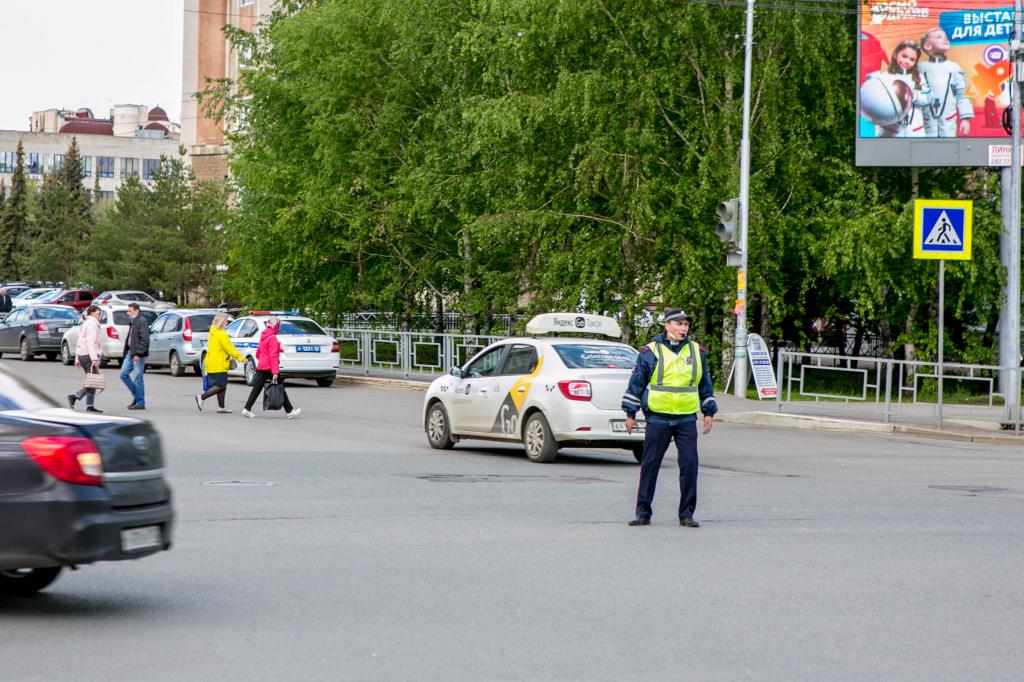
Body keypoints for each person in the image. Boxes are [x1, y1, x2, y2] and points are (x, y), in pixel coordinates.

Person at [622, 309, 717, 527]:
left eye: (685, 324)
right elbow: (636, 383)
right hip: (658, 417)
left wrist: (708, 412)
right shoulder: (650, 351)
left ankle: (686, 515)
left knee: (689, 465)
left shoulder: (696, 351)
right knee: (650, 465)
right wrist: (630, 414)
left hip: (685, 418)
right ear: (667, 325)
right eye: (678, 324)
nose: (683, 328)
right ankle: (643, 513)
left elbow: (705, 385)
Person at [868, 40, 931, 137]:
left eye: (912, 59)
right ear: (896, 54)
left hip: (915, 132)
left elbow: (928, 97)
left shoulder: (919, 78)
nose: (907, 61)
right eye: (904, 56)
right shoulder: (885, 77)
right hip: (890, 132)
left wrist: (913, 95)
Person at [241, 317, 301, 419]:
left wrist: (264, 358)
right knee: (280, 388)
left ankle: (247, 408)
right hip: (270, 367)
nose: (279, 328)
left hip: (262, 366)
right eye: (279, 326)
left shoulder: (264, 336)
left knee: (257, 388)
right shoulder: (273, 338)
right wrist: (275, 372)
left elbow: (258, 353)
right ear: (276, 326)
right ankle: (289, 411)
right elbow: (273, 356)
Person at [919, 28, 973, 137]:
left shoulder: (954, 67)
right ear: (927, 46)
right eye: (939, 37)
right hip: (925, 121)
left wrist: (965, 118)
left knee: (949, 147)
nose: (945, 40)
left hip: (949, 120)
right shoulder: (920, 68)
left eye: (946, 37)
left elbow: (963, 93)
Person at [195, 314, 245, 413]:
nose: (227, 323)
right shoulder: (222, 334)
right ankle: (201, 397)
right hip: (219, 363)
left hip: (211, 363)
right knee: (221, 385)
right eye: (226, 321)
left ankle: (221, 407)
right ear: (221, 323)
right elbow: (230, 348)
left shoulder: (213, 334)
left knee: (222, 385)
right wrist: (241, 358)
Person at [67, 305, 103, 413]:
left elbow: (80, 341)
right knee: (94, 380)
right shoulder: (92, 325)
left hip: (83, 355)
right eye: (98, 313)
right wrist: (94, 359)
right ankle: (74, 396)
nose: (99, 315)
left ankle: (90, 405)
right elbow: (90, 343)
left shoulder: (86, 323)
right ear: (92, 313)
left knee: (92, 379)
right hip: (88, 355)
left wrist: (77, 358)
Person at [120, 302, 149, 410]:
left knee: (138, 377)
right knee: (123, 374)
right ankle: (138, 397)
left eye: (130, 311)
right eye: (128, 311)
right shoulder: (133, 321)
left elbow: (145, 339)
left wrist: (139, 353)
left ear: (137, 311)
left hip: (138, 354)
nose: (128, 313)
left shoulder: (142, 321)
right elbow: (130, 338)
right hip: (130, 352)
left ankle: (140, 402)